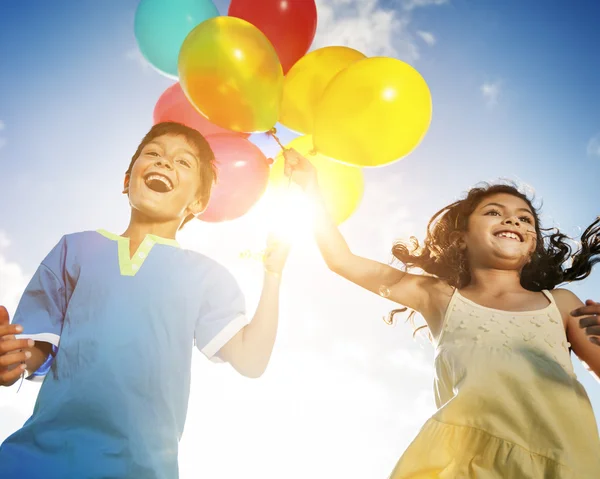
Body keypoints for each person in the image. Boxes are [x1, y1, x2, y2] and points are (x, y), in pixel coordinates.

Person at [283, 148, 600, 477]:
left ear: (532, 245)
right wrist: (311, 189)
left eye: (525, 219)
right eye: (494, 212)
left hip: (562, 461)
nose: (512, 220)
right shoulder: (438, 297)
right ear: (461, 239)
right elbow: (342, 261)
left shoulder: (560, 303)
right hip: (465, 462)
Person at [0, 122, 290, 479]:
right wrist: (14, 356)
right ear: (127, 180)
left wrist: (273, 277)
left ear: (198, 202)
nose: (165, 162)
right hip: (36, 459)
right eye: (153, 153)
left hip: (140, 468)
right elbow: (36, 349)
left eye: (183, 162)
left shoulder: (206, 277)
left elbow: (251, 360)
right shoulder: (73, 249)